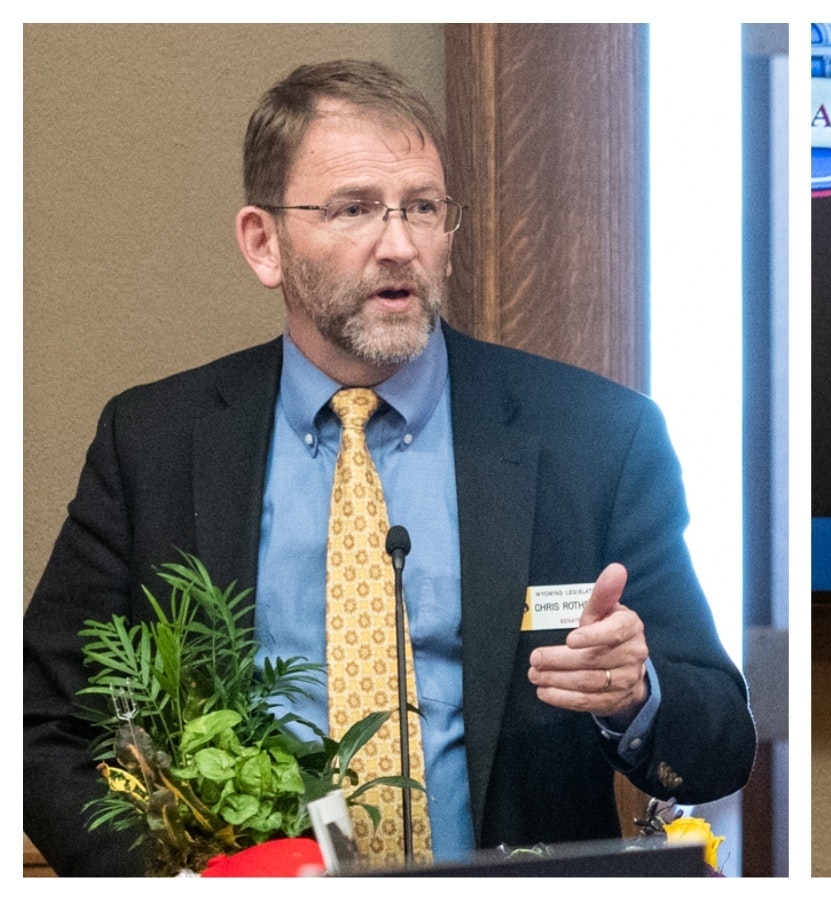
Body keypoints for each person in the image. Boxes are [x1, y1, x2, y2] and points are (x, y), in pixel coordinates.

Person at [22, 60, 756, 876]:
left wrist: (636, 693)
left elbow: (718, 743)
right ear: (264, 243)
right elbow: (44, 727)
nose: (400, 244)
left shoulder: (595, 437)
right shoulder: (155, 441)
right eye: (355, 209)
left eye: (423, 208)